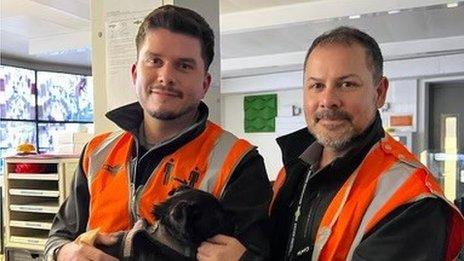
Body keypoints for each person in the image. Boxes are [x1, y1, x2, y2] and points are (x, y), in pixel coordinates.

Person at [45, 5, 271, 261]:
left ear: (205, 84)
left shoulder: (238, 162)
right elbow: (58, 237)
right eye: (155, 61)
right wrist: (62, 252)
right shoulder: (96, 153)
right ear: (135, 72)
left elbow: (256, 255)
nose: (166, 76)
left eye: (184, 66)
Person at [270, 26, 464, 261]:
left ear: (379, 92)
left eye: (347, 84)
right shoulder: (294, 169)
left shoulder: (411, 199)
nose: (328, 100)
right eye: (317, 85)